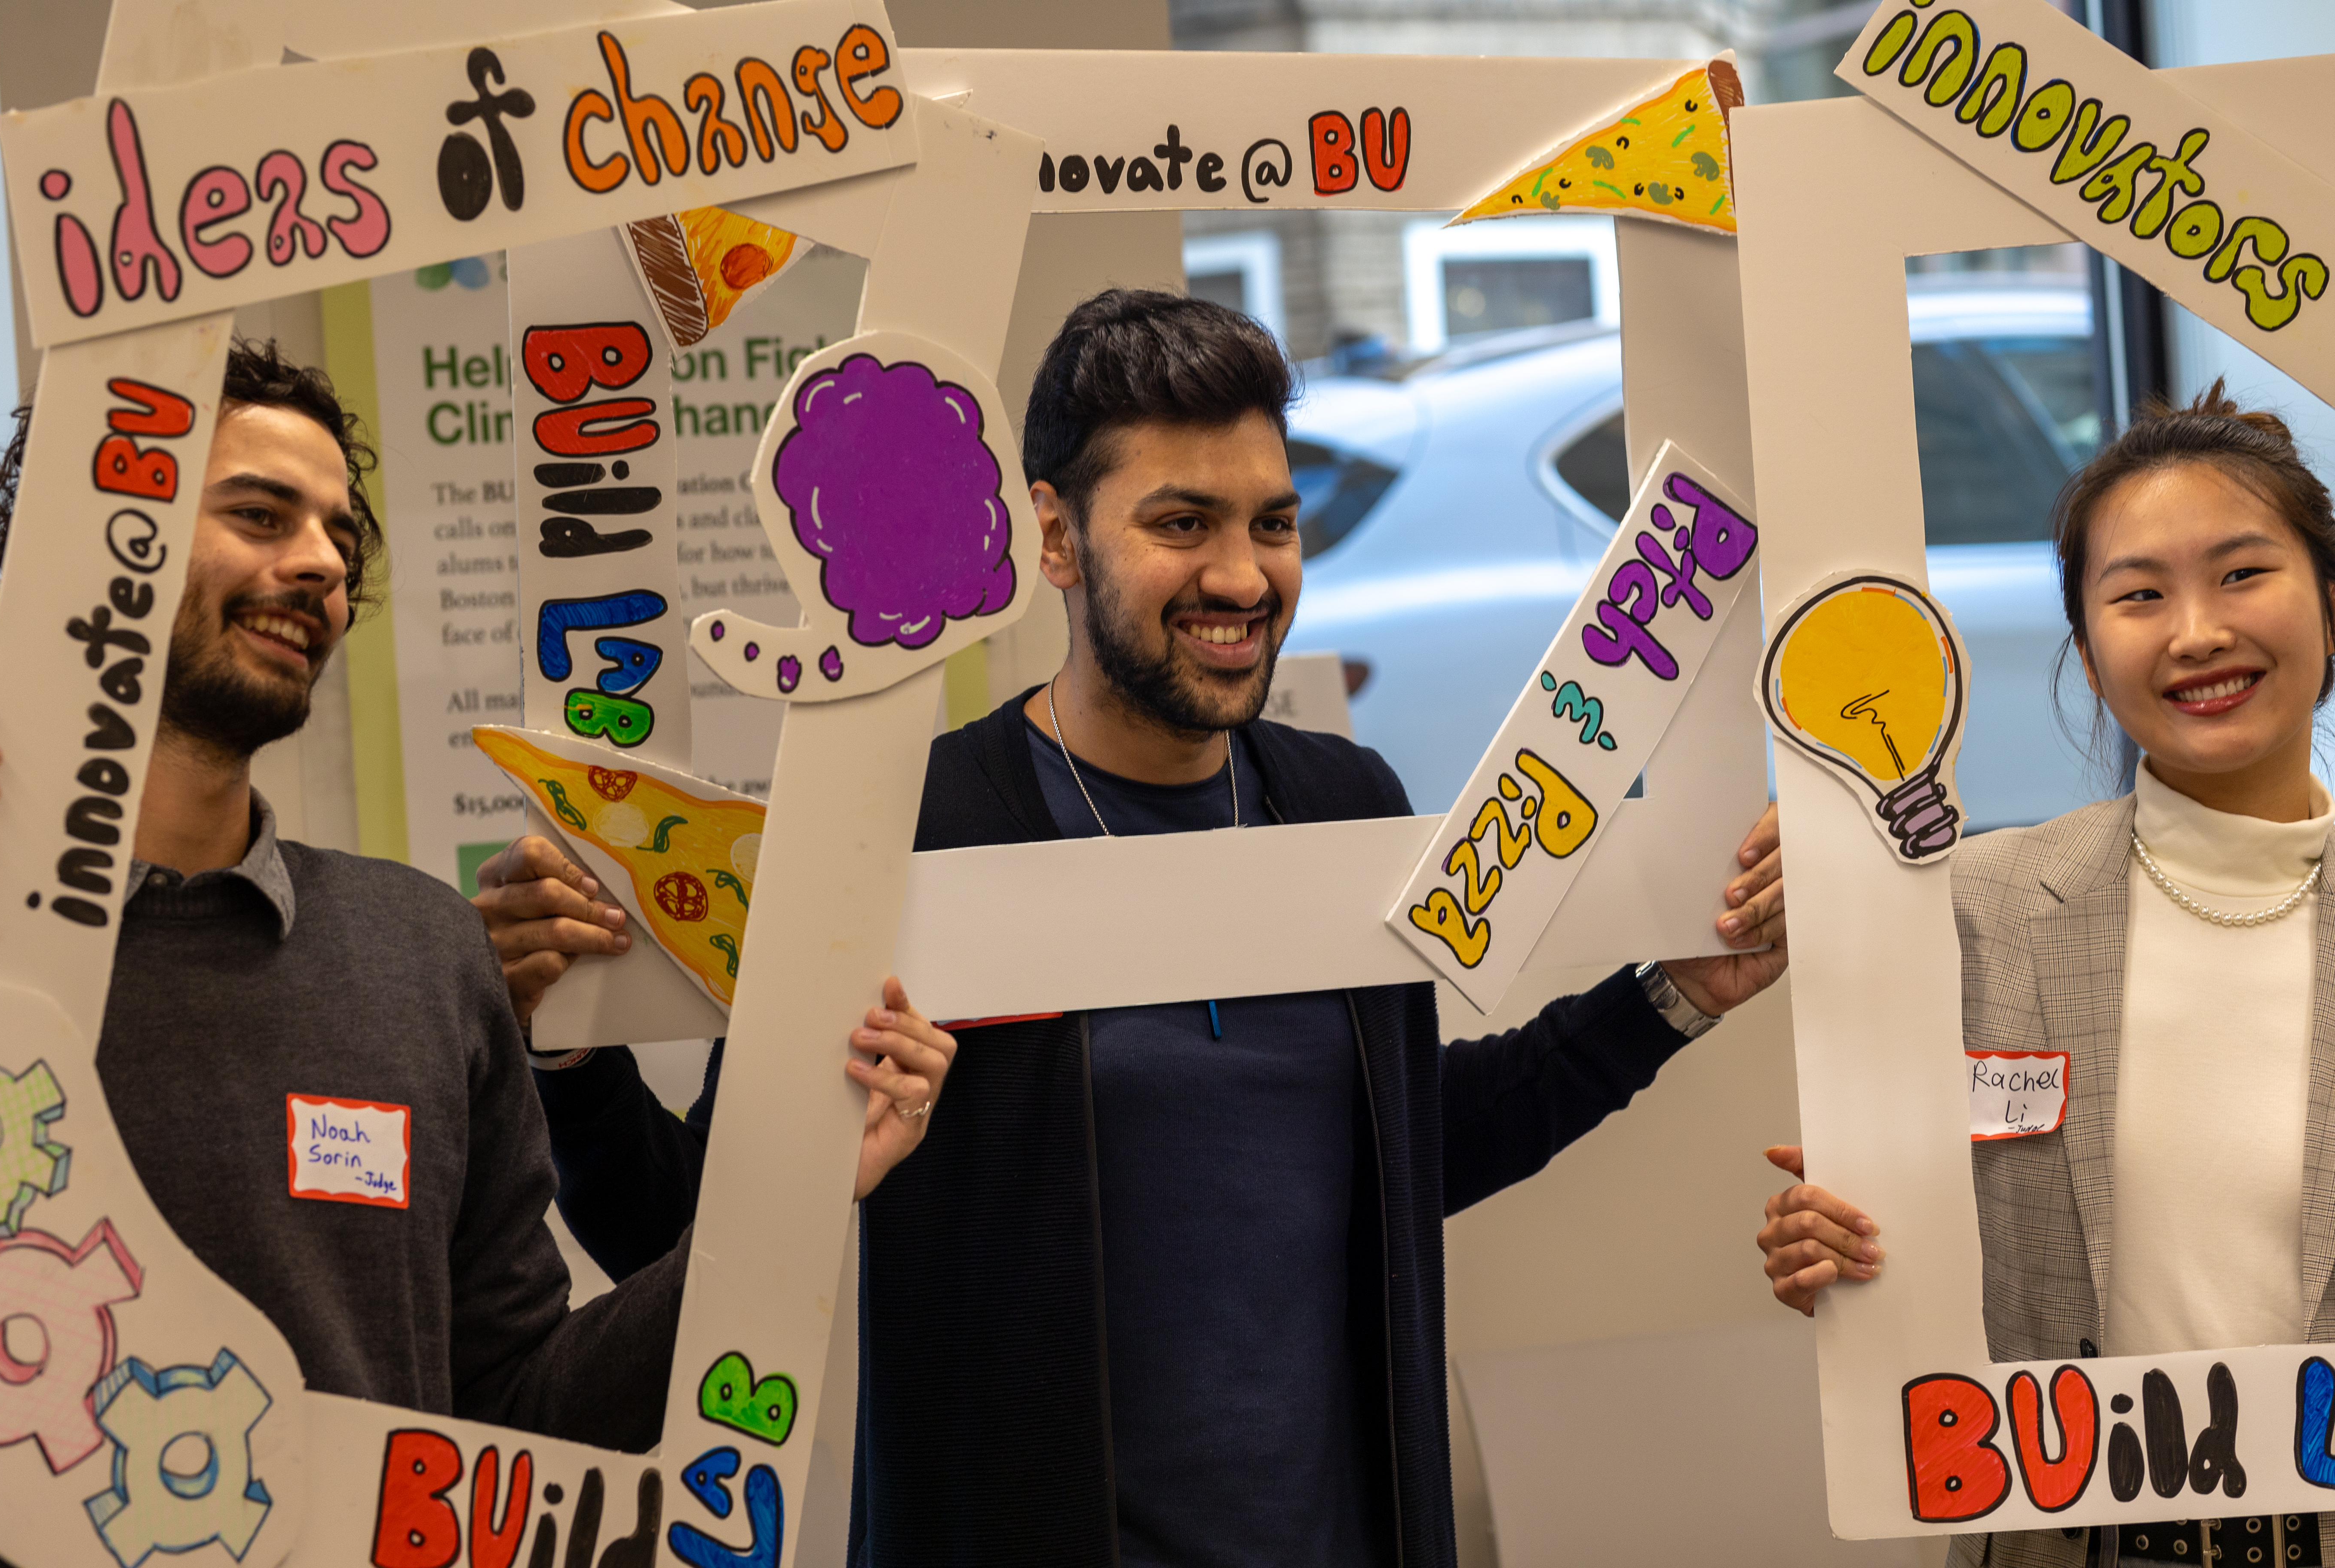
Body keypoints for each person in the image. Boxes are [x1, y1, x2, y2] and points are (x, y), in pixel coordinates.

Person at [487, 289, 1789, 1566]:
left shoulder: (1341, 801)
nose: (1243, 574)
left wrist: (1670, 995)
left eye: (1273, 522)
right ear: (1055, 537)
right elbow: (688, 1236)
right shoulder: (911, 828)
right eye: (1183, 522)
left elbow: (1403, 1152)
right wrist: (574, 1054)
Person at [0, 343, 952, 1515]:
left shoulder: (418, 955)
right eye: (257, 513)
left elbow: (520, 1411)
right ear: (94, 539)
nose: (318, 567)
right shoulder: (0, 946)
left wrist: (802, 1189)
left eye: (338, 538)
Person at [1756, 384, 2335, 1568]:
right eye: (2138, 595)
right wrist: (1847, 1246)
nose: (2195, 633)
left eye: (2241, 574)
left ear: (2329, 599)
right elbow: (1913, 1242)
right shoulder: (1974, 910)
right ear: (2086, 647)